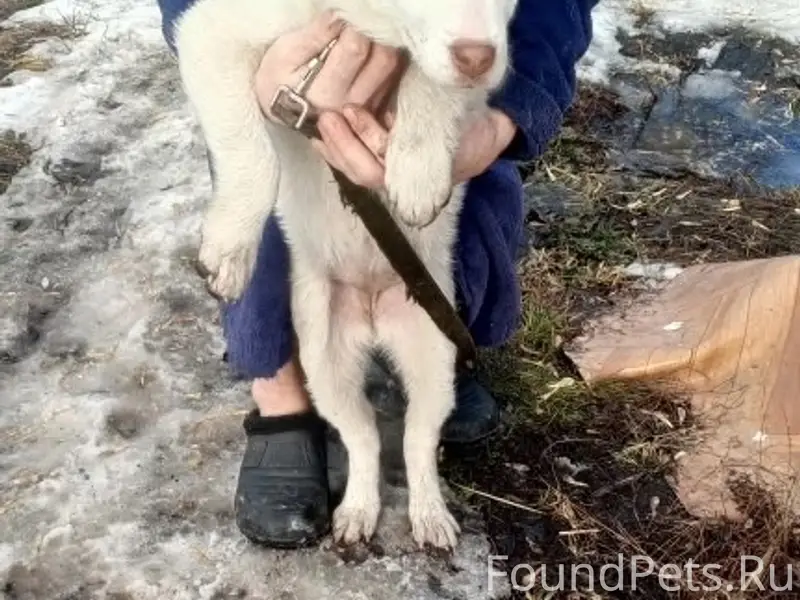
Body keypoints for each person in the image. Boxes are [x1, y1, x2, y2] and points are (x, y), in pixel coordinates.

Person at [157, 0, 598, 548]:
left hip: (414, 274)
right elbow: (208, 34)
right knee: (283, 269)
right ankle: (291, 405)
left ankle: (424, 453)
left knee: (438, 334)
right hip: (324, 263)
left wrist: (503, 115)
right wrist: (255, 134)